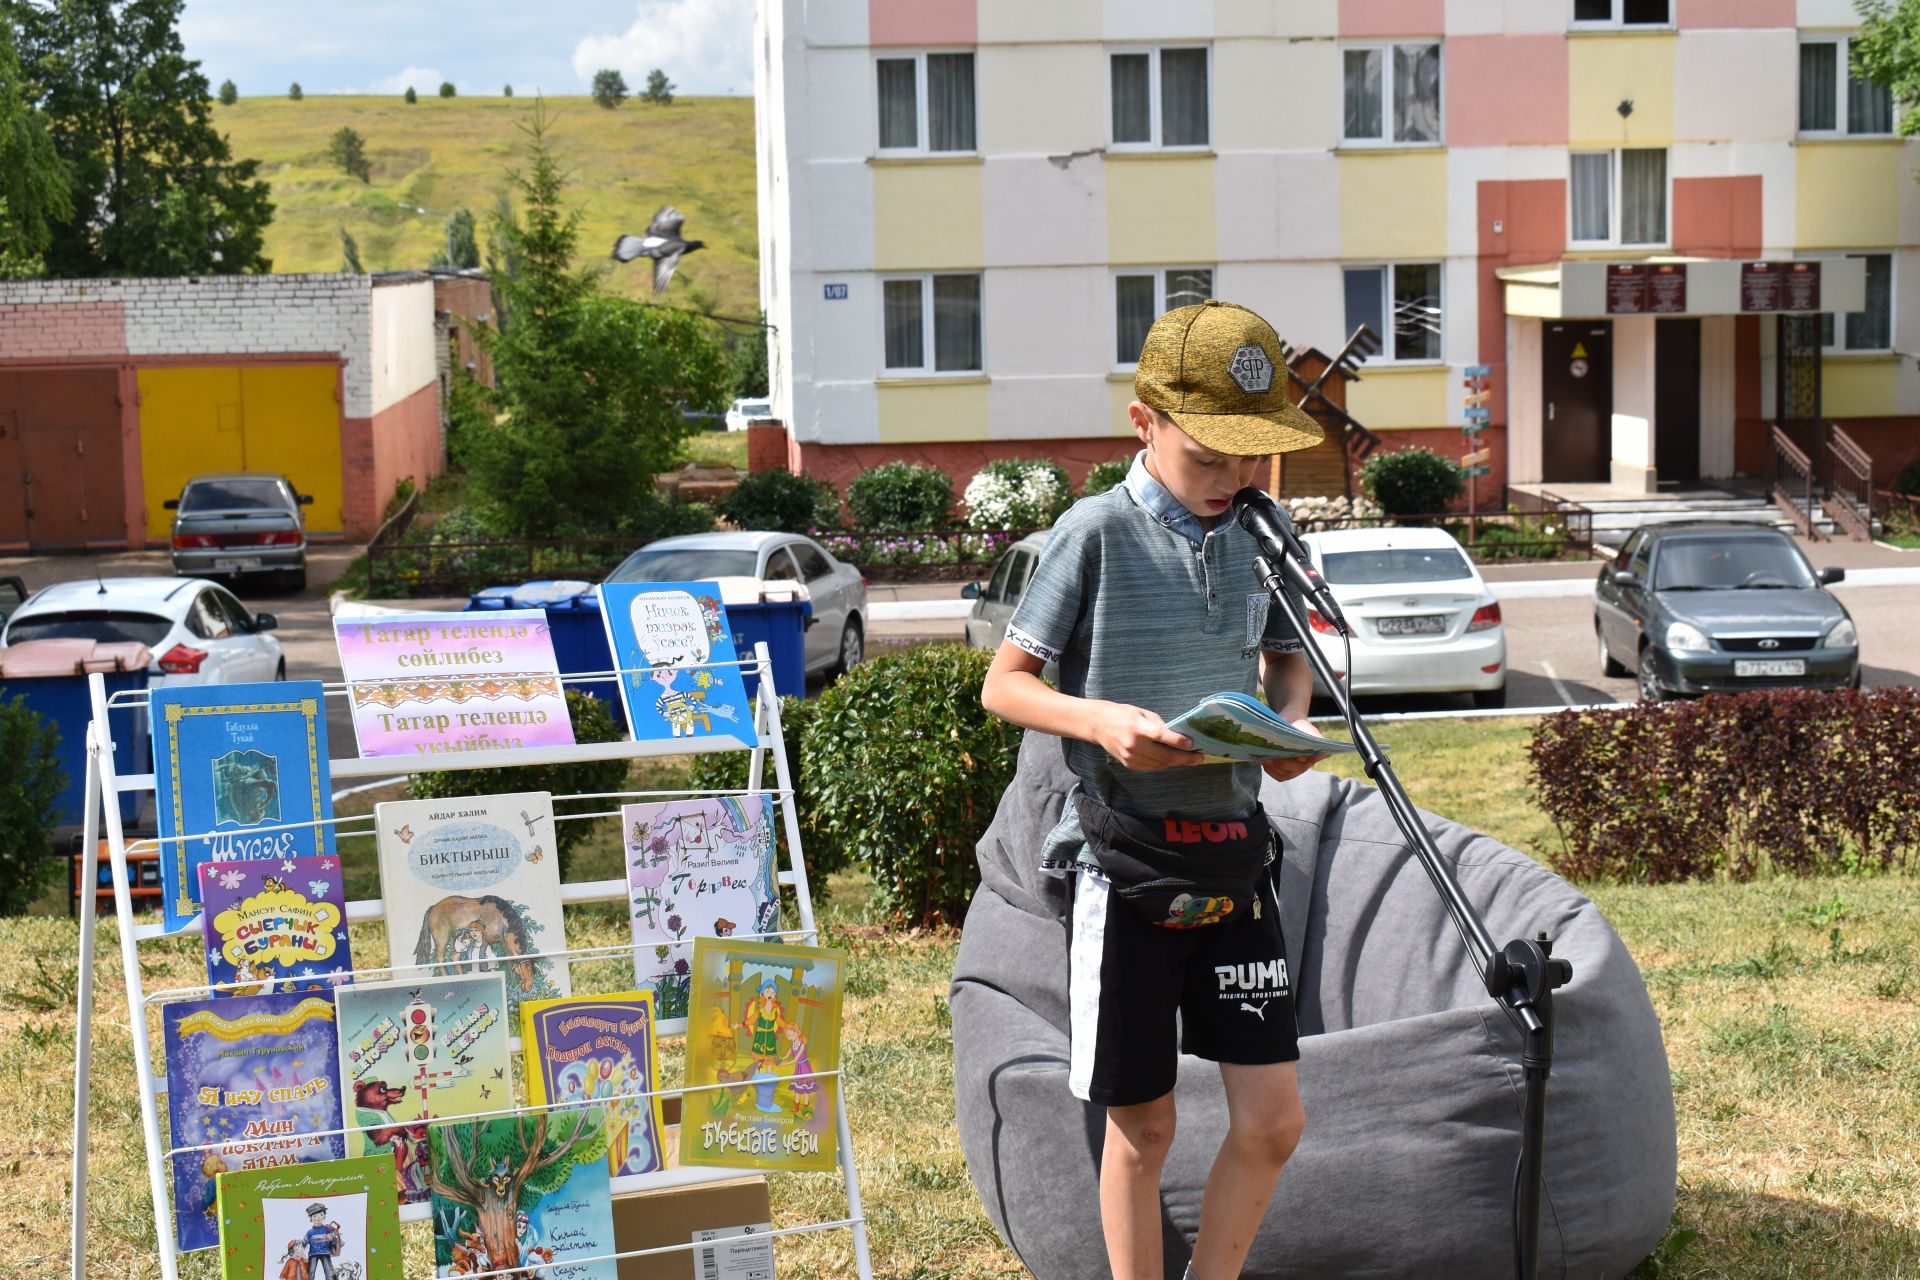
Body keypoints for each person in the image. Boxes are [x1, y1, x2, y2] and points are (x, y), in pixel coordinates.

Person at [980, 300, 1328, 1280]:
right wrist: (1104, 721)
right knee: (1145, 1124)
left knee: (1274, 1118)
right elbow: (1003, 683)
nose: (1232, 479)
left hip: (1235, 855)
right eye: (1208, 456)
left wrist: (1289, 727)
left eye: (1250, 459)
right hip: (1122, 863)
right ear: (1144, 423)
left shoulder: (1266, 529)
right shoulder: (1091, 533)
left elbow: (1287, 659)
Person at [302, 1202, 342, 1280]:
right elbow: (303, 1243)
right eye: (314, 1216)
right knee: (311, 1271)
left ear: (324, 1216)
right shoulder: (310, 1232)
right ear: (310, 1218)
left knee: (329, 1271)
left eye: (321, 1215)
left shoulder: (327, 1229)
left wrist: (332, 1238)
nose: (318, 1218)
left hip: (325, 1253)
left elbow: (334, 1241)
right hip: (313, 1254)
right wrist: (299, 1250)